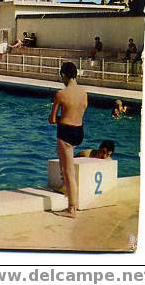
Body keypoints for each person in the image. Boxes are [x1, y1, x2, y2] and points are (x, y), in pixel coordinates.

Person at [48, 61, 88, 218]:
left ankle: (72, 208)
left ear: (64, 75)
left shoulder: (61, 94)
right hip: (79, 131)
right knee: (66, 165)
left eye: (61, 76)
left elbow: (52, 119)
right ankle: (65, 187)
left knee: (68, 171)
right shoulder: (84, 93)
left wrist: (57, 119)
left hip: (65, 132)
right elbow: (80, 110)